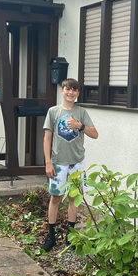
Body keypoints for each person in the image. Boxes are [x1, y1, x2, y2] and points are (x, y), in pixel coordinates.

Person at [41, 78, 99, 252]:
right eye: (67, 89)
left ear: (78, 93)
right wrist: (48, 163)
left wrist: (79, 126)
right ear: (62, 91)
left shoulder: (81, 112)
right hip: (58, 163)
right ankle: (51, 236)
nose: (70, 92)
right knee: (55, 198)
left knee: (74, 199)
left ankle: (70, 237)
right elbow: (47, 138)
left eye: (74, 90)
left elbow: (95, 134)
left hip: (77, 163)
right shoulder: (53, 112)